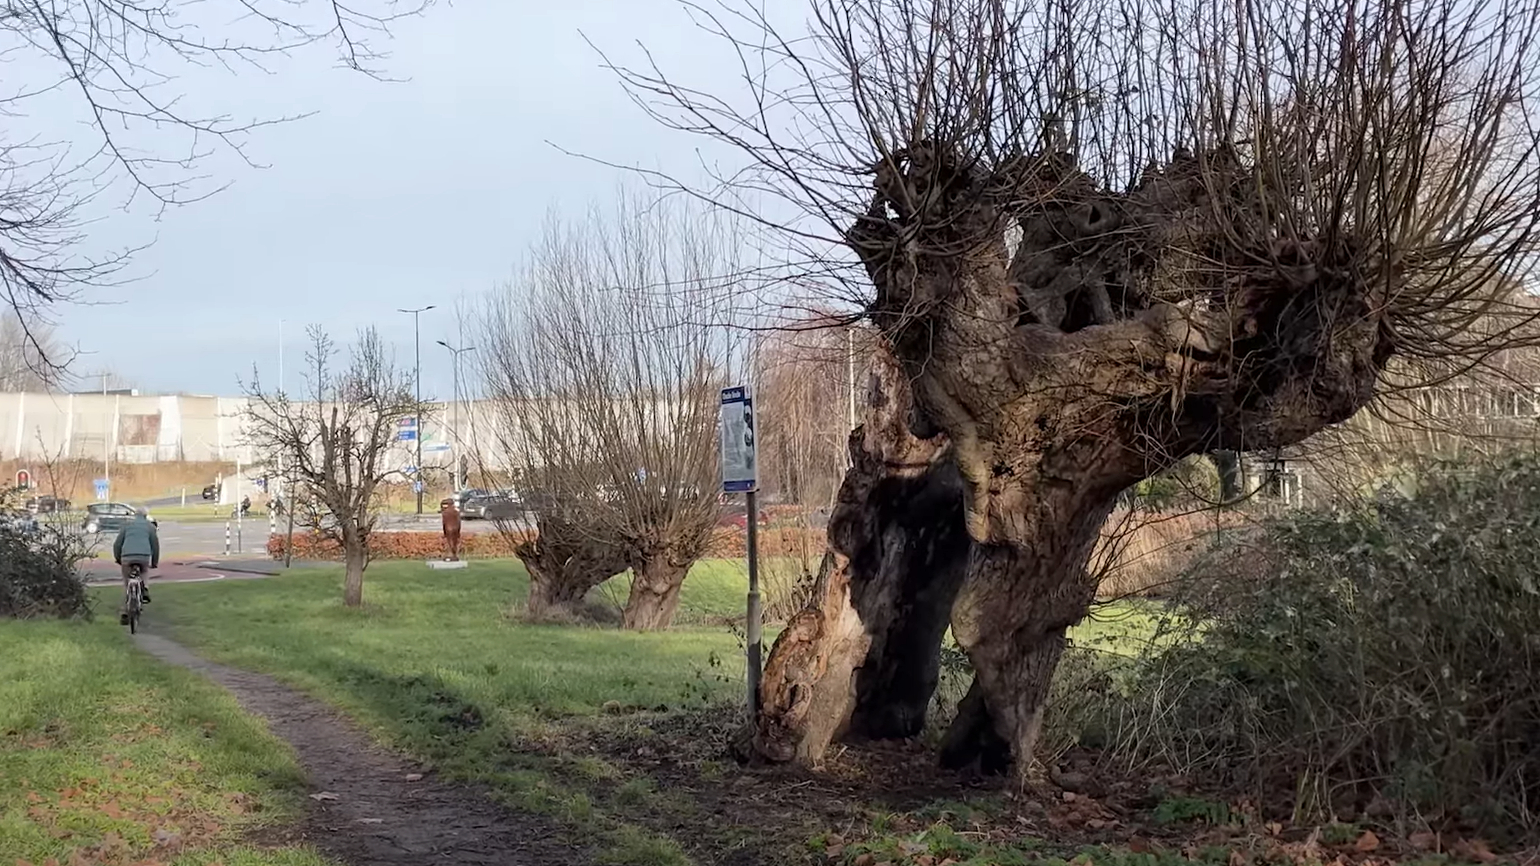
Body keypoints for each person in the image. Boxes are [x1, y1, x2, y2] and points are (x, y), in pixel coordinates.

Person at [113, 511, 160, 624]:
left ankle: (124, 611)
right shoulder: (150, 527)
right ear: (145, 516)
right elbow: (155, 546)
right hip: (143, 557)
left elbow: (117, 544)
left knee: (126, 582)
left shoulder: (126, 526)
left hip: (126, 557)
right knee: (144, 572)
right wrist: (154, 562)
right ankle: (145, 589)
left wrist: (118, 558)